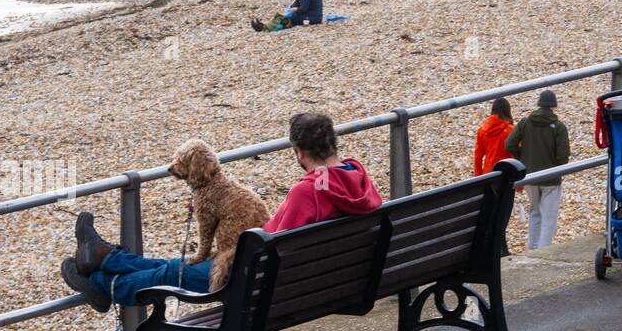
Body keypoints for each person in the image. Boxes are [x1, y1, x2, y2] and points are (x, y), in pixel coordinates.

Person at [59, 113, 383, 311]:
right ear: (333, 144)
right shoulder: (357, 176)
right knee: (174, 266)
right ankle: (103, 259)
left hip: (260, 282)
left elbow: (276, 247)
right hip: (326, 279)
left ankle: (104, 284)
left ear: (298, 151)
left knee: (172, 273)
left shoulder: (307, 191)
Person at [505, 91, 570, 250]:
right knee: (549, 218)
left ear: (539, 103)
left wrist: (523, 157)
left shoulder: (525, 122)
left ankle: (533, 248)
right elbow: (563, 156)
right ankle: (544, 250)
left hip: (530, 176)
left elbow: (509, 144)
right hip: (551, 179)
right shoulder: (559, 127)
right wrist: (555, 164)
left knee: (535, 212)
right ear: (553, 105)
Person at [474, 98, 515, 176]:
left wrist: (478, 176)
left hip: (489, 171)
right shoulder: (511, 129)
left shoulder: (482, 130)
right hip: (507, 170)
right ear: (507, 110)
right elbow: (518, 152)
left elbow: (478, 156)